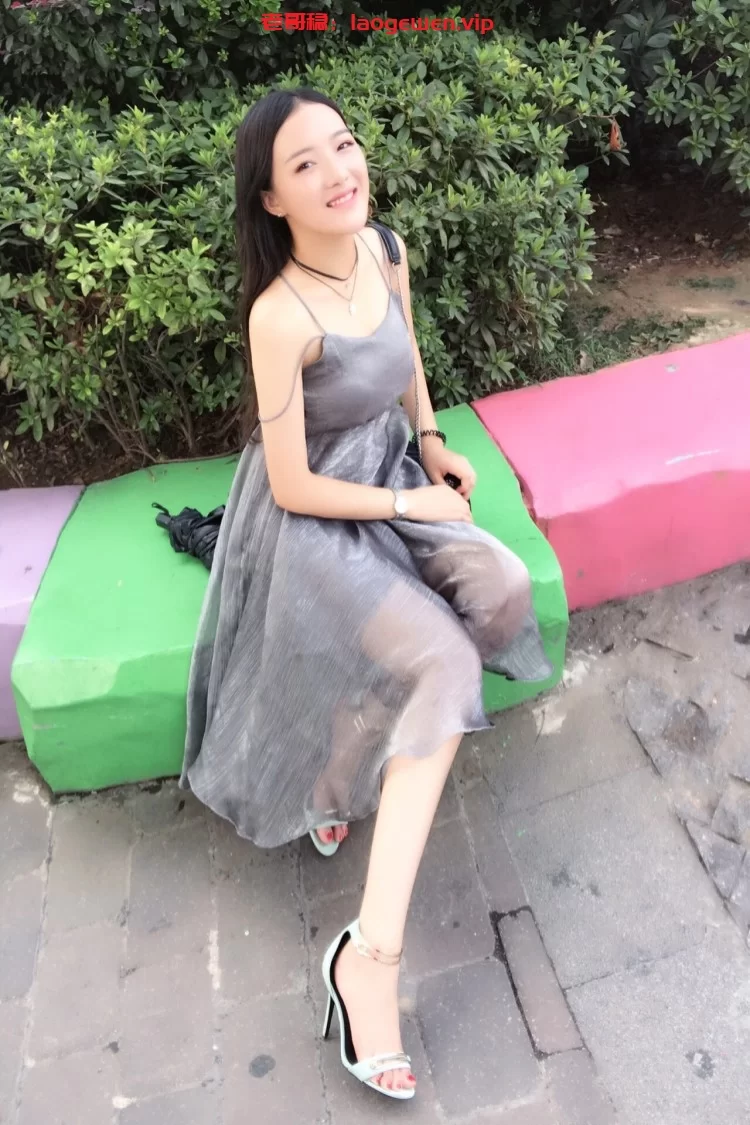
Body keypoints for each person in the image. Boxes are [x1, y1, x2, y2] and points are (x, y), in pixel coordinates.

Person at [179, 85, 554, 1101]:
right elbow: (292, 483)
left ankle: (345, 756)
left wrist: (430, 441)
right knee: (443, 660)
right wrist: (409, 507)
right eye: (305, 164)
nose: (339, 171)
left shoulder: (384, 250)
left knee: (504, 592)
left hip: (394, 472)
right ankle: (367, 960)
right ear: (271, 199)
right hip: (310, 521)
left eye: (343, 146)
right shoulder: (278, 315)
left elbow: (407, 357)